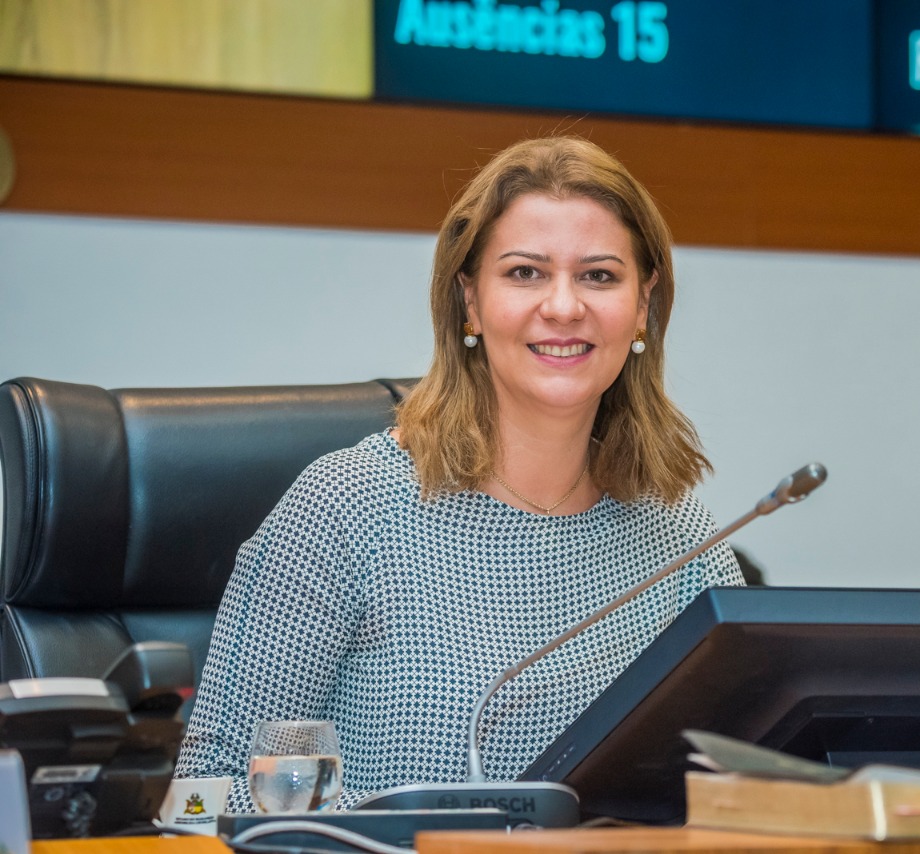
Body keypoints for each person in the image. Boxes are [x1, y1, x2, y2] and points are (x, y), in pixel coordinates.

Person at [174, 137, 744, 811]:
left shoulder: (684, 543)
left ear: (644, 306)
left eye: (598, 276)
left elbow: (745, 785)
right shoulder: (346, 508)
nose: (564, 307)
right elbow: (206, 792)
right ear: (469, 301)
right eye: (526, 273)